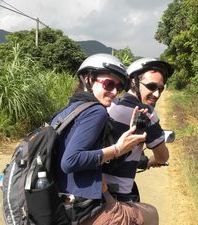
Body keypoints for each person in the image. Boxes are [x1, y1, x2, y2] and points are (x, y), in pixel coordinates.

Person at [51, 53, 148, 225]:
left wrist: (125, 144)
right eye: (109, 84)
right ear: (88, 80)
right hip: (82, 209)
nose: (114, 92)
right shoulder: (97, 111)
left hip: (61, 202)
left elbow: (95, 159)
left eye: (118, 87)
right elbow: (70, 161)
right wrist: (117, 149)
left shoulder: (71, 109)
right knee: (150, 213)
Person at [103, 58, 174, 225]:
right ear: (134, 82)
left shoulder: (109, 105)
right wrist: (151, 161)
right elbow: (163, 156)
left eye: (160, 89)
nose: (156, 94)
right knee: (152, 214)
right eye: (151, 87)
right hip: (117, 196)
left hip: (90, 191)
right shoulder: (145, 113)